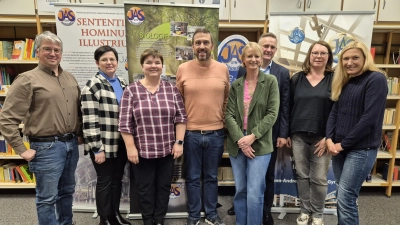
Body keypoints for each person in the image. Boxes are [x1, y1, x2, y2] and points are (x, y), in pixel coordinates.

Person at [0, 31, 81, 225]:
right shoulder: (27, 79)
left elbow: (78, 110)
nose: (53, 53)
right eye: (47, 49)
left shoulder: (70, 78)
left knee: (67, 192)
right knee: (47, 198)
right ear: (37, 51)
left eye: (57, 50)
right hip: (46, 148)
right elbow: (6, 119)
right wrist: (21, 149)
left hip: (70, 144)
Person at [228, 32, 290, 225]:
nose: (254, 59)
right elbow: (228, 115)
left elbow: (273, 113)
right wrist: (241, 139)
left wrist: (252, 137)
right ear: (243, 60)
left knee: (255, 191)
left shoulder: (271, 81)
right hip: (238, 144)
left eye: (257, 56)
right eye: (249, 56)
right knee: (240, 190)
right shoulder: (236, 84)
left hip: (261, 143)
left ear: (261, 57)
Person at [119, 49, 187, 225]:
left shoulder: (171, 89)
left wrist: (179, 142)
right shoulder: (131, 90)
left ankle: (159, 220)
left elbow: (181, 118)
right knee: (144, 189)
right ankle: (148, 221)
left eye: (157, 62)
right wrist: (130, 147)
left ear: (162, 66)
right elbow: (125, 123)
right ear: (142, 66)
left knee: (164, 188)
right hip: (142, 151)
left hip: (167, 150)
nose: (153, 66)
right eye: (149, 62)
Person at [326, 41, 387, 225]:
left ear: (365, 58)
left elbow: (369, 119)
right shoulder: (346, 80)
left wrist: (343, 144)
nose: (349, 62)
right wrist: (329, 138)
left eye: (355, 58)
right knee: (342, 196)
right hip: (339, 148)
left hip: (361, 149)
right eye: (345, 58)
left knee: (346, 198)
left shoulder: (376, 79)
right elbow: (335, 112)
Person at [176, 28, 229, 225]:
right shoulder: (183, 69)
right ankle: (193, 216)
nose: (202, 46)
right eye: (198, 43)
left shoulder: (222, 69)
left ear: (212, 45)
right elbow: (178, 103)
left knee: (211, 177)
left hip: (215, 134)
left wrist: (222, 123)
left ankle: (212, 215)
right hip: (190, 134)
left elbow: (226, 100)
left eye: (206, 42)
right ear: (192, 46)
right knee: (192, 177)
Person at [81, 46, 131, 225]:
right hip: (103, 145)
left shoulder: (123, 83)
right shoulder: (93, 85)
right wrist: (96, 148)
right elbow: (89, 120)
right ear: (97, 63)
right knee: (105, 181)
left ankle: (115, 215)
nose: (109, 63)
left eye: (112, 59)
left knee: (117, 180)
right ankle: (105, 219)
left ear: (117, 62)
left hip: (121, 143)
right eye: (104, 60)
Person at [288, 41, 334, 225]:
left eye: (323, 53)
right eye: (315, 52)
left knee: (319, 179)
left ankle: (318, 215)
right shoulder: (297, 79)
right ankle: (304, 211)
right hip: (298, 135)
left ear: (328, 57)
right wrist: (287, 133)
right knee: (302, 175)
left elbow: (338, 110)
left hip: (322, 137)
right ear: (309, 55)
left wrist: (329, 137)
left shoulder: (335, 78)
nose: (318, 56)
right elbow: (288, 107)